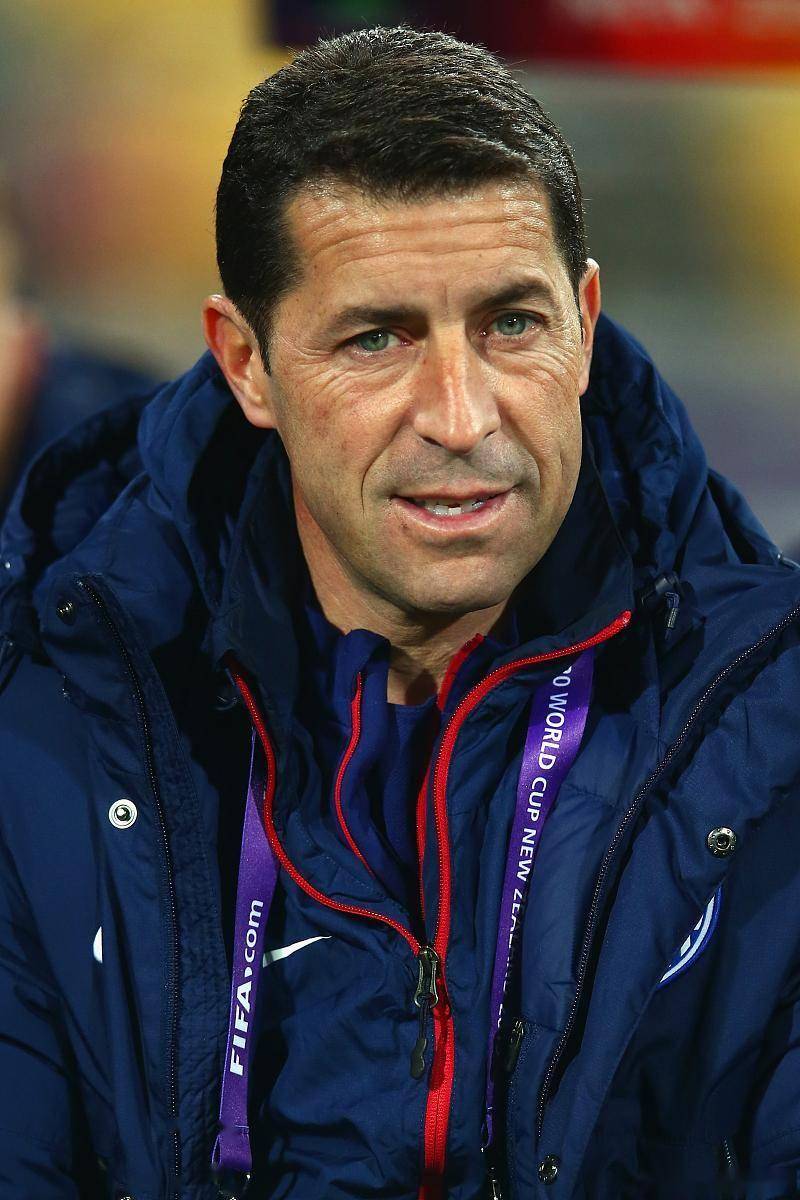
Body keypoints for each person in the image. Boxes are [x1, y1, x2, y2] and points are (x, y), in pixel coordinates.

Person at [0, 25, 798, 1200]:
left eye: (511, 324)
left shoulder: (771, 728)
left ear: (584, 321)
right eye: (376, 339)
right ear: (246, 362)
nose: (461, 416)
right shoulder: (50, 722)